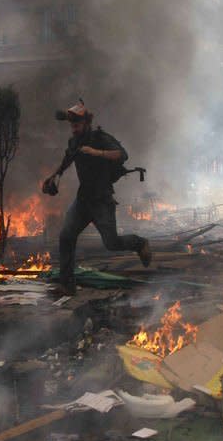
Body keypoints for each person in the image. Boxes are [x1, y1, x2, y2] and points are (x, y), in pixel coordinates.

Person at [42, 101, 151, 295]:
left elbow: (122, 154)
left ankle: (139, 243)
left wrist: (96, 152)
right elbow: (67, 161)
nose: (74, 129)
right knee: (66, 236)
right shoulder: (74, 142)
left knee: (111, 243)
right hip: (83, 200)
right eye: (72, 126)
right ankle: (67, 285)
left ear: (86, 123)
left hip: (102, 200)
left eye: (77, 125)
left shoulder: (100, 138)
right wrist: (53, 177)